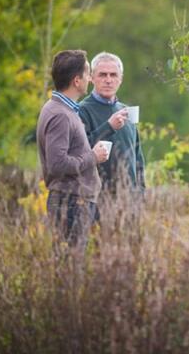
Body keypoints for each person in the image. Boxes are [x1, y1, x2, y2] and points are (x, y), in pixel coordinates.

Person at [36, 49, 110, 247]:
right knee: (70, 269)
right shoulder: (60, 114)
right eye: (87, 74)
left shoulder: (62, 109)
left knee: (71, 267)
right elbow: (57, 165)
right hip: (71, 203)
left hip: (74, 202)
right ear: (77, 81)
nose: (90, 79)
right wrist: (93, 157)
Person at [78, 52, 146, 196]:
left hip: (129, 199)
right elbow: (78, 152)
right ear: (91, 78)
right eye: (103, 75)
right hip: (98, 199)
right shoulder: (82, 110)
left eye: (113, 75)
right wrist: (109, 127)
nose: (108, 80)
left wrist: (140, 193)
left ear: (120, 79)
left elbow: (138, 157)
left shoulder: (126, 111)